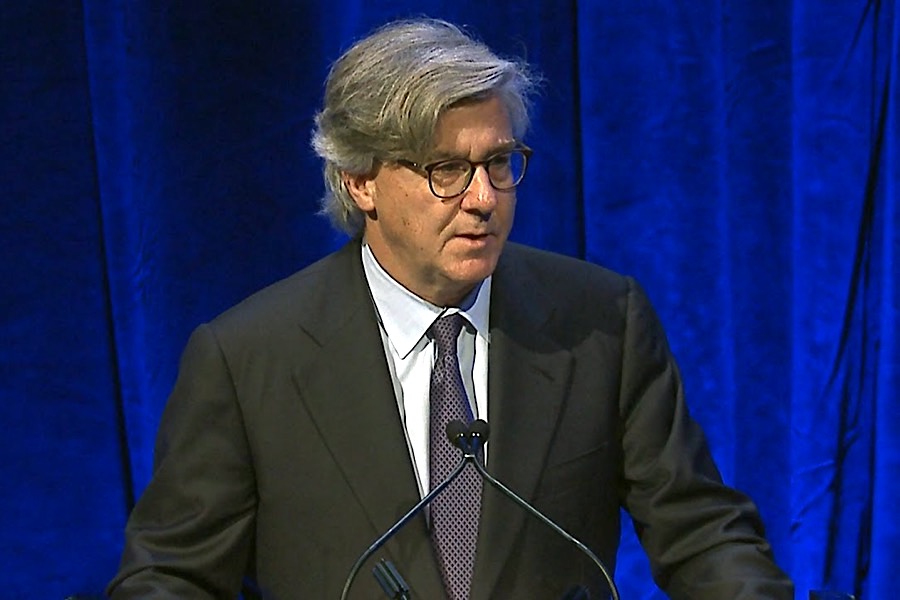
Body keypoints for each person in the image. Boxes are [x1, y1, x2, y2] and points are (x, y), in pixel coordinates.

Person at [108, 18, 794, 600]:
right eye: (446, 170)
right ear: (361, 181)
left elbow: (700, 532)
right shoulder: (249, 358)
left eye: (498, 162)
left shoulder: (601, 323)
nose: (484, 198)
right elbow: (171, 576)